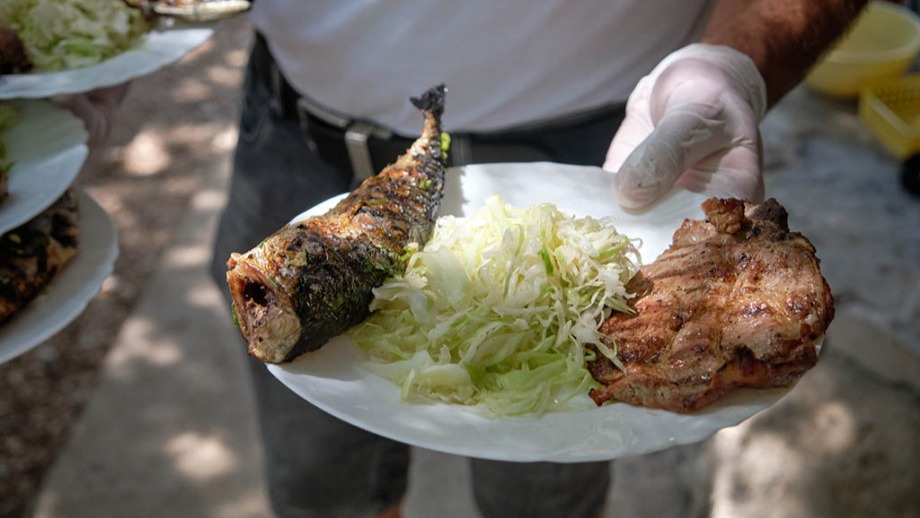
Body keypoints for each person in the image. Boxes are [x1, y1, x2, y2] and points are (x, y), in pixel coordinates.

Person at [64, 1, 867, 517]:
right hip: (294, 150)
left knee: (547, 494)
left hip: (616, 153)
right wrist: (83, 42)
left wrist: (734, 63)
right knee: (320, 487)